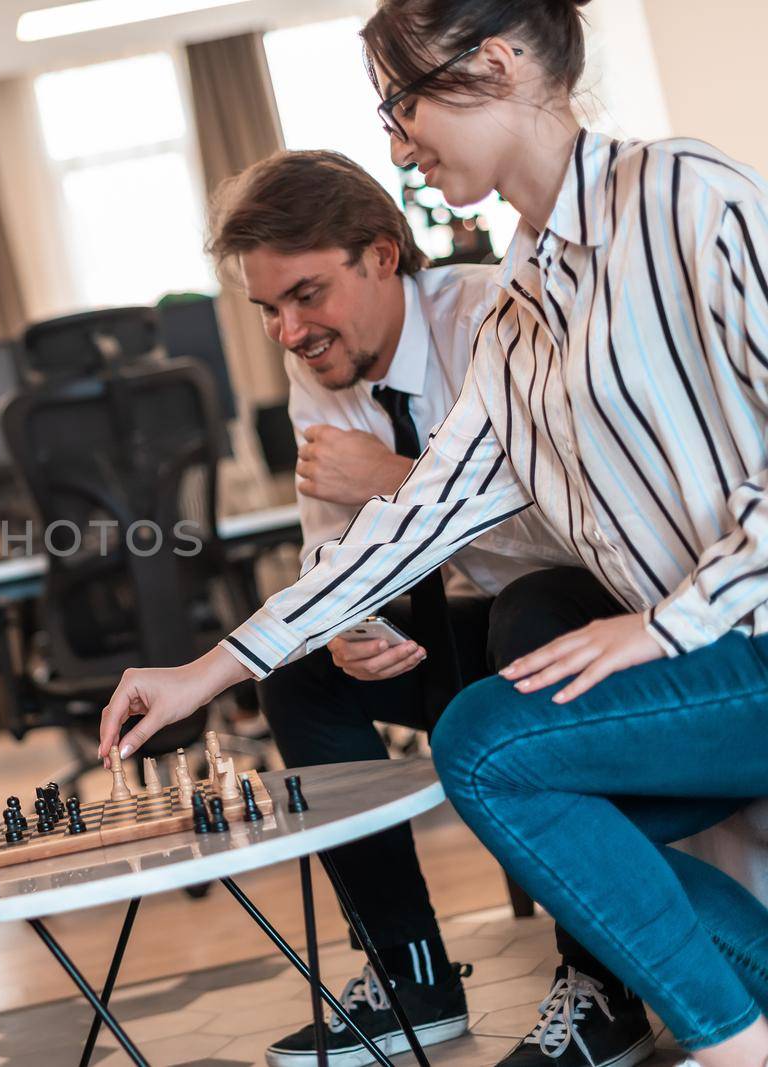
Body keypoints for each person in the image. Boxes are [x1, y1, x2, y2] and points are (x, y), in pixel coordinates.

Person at [98, 3, 768, 1067]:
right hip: (702, 661)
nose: (398, 141)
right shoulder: (518, 311)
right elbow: (415, 519)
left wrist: (664, 624)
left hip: (735, 639)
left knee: (487, 744)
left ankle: (731, 1042)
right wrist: (210, 668)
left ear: (496, 66)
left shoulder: (683, 193)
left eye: (402, 104)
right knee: (544, 792)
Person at [209, 148, 582, 1067]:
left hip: (574, 623)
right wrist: (347, 621)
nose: (289, 332)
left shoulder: (500, 318)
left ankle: (599, 977)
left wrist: (400, 480)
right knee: (294, 664)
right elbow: (329, 545)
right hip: (461, 639)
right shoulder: (322, 365)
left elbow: (584, 522)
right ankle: (408, 969)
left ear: (382, 255)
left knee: (529, 608)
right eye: (268, 310)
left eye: (305, 294)